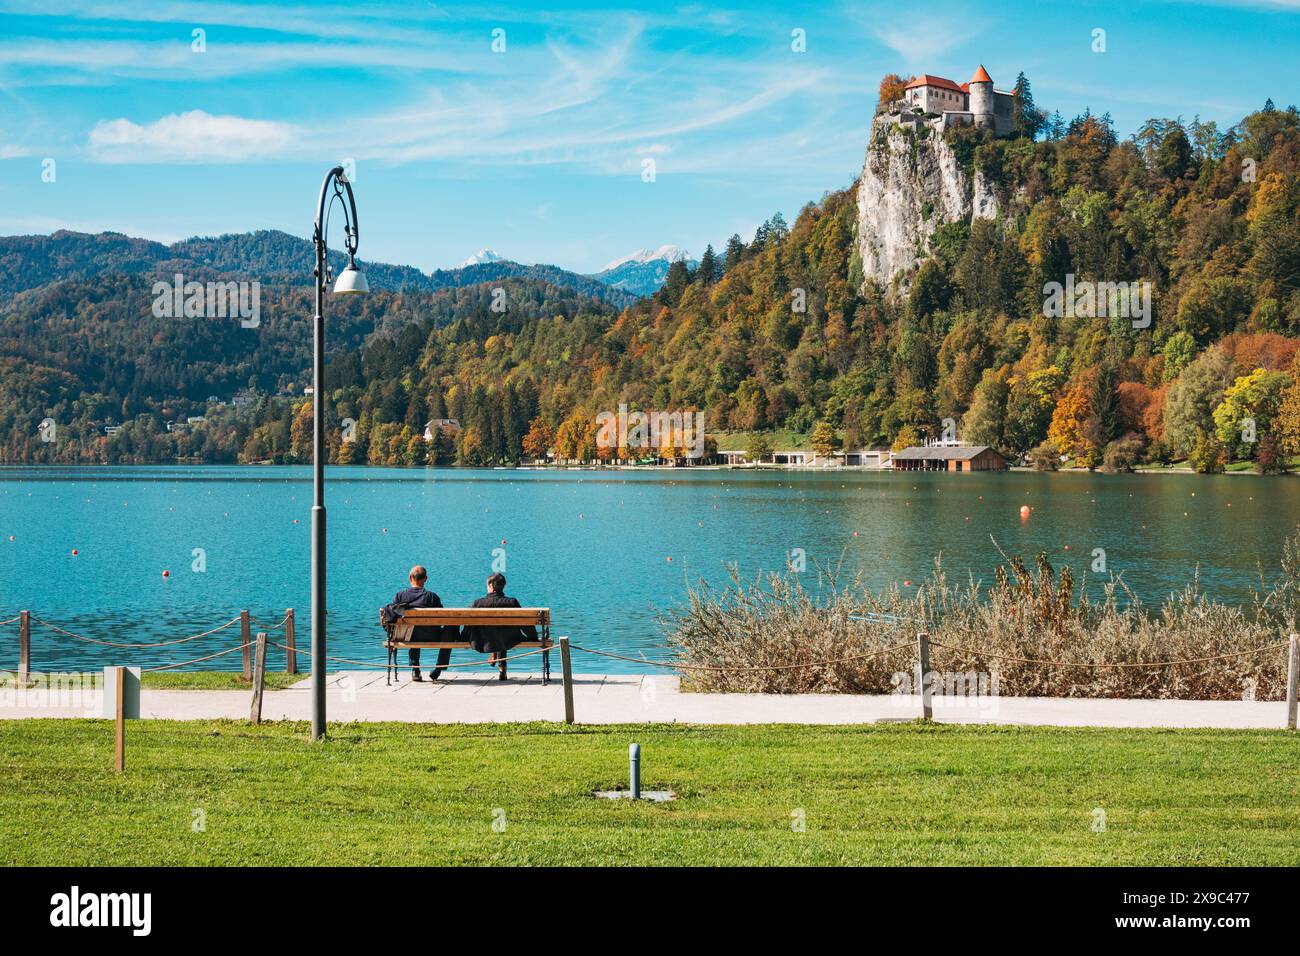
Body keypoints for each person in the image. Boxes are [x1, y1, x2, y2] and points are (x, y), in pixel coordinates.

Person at [461, 573, 538, 680]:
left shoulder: (478, 603)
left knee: (496, 632)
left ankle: (497, 660)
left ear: (491, 586)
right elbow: (525, 623)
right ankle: (502, 667)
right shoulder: (512, 602)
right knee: (502, 633)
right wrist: (534, 638)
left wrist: (463, 638)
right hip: (507, 640)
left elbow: (468, 626)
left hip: (483, 642)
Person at [382, 565, 452, 681]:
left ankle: (415, 669)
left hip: (407, 637)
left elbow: (391, 617)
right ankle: (438, 669)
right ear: (425, 578)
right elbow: (443, 618)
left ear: (410, 578)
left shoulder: (400, 596)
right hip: (432, 636)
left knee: (412, 630)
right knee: (450, 628)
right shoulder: (432, 597)